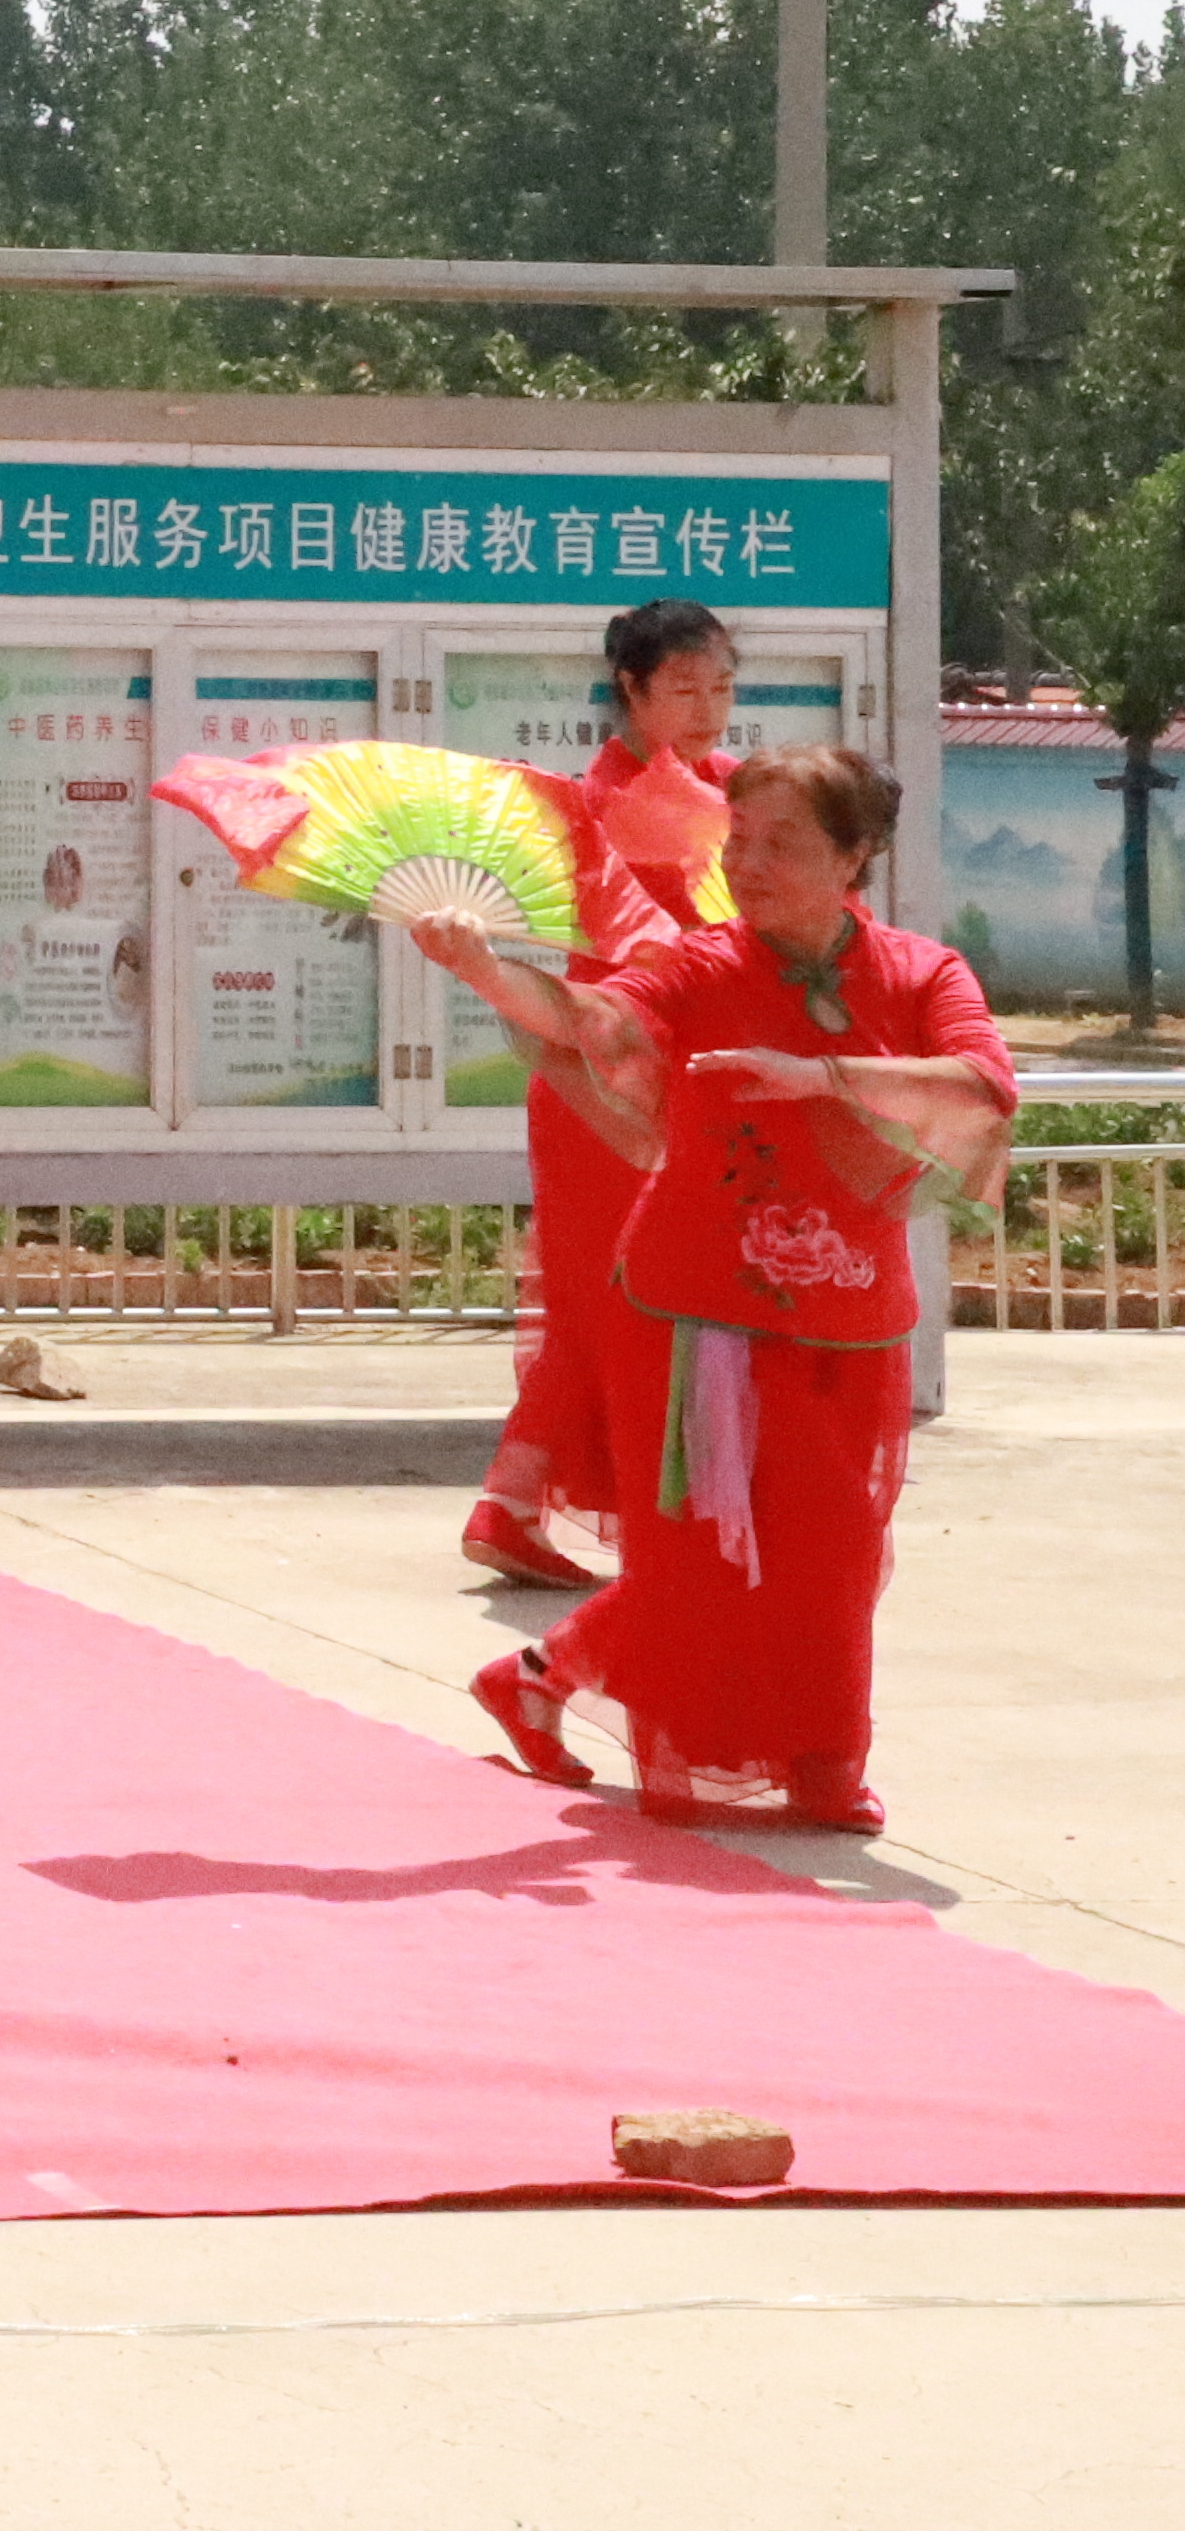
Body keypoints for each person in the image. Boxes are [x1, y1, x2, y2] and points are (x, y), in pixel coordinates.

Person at [418, 745, 1011, 1834]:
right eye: (737, 841)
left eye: (781, 843)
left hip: (851, 1314)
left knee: (829, 1555)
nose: (749, 863)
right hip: (697, 1312)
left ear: (856, 854)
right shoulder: (701, 965)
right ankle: (791, 1760)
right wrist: (487, 970)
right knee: (704, 1560)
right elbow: (603, 1014)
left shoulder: (924, 973)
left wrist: (825, 1076)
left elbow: (981, 1085)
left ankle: (767, 1742)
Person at [460, 598, 745, 1591]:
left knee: (644, 1301)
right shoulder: (603, 802)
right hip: (595, 1075)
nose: (707, 707)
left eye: (720, 685)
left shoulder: (734, 792)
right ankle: (636, 1515)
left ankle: (516, 1501)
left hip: (691, 1083)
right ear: (629, 690)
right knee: (610, 1301)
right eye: (682, 688)